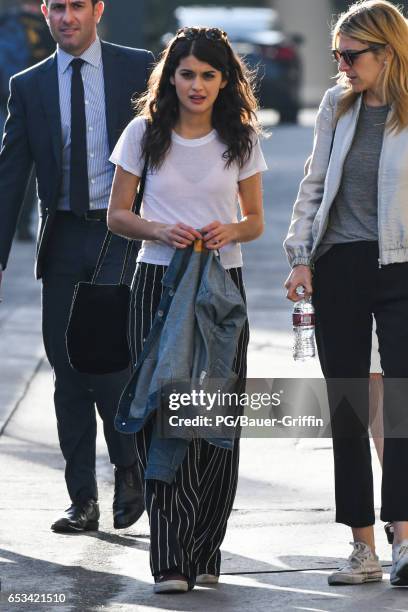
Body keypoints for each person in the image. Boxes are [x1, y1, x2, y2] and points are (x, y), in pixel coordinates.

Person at [108, 26, 266, 593]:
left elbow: (255, 221)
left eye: (208, 75)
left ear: (224, 81)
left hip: (223, 287)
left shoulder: (241, 137)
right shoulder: (142, 133)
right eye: (186, 74)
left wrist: (229, 230)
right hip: (156, 282)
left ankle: (205, 550)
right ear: (170, 78)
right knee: (160, 412)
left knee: (214, 418)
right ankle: (170, 559)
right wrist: (159, 228)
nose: (196, 85)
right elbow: (117, 214)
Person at [0, 0, 154, 534]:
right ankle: (82, 499)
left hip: (122, 236)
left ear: (97, 9)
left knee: (112, 368)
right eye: (57, 7)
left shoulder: (137, 68)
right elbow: (11, 174)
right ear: (45, 12)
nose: (67, 17)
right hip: (63, 236)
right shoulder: (29, 85)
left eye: (77, 7)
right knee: (67, 373)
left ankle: (128, 469)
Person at [284, 0, 408, 588]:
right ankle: (362, 546)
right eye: (337, 55)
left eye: (352, 55)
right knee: (348, 408)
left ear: (387, 51)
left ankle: (404, 539)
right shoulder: (338, 104)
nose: (343, 66)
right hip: (340, 264)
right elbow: (314, 184)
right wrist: (300, 256)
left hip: (403, 264)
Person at [0, 0, 55, 242]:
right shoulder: (44, 28)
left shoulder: (7, 23)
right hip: (32, 103)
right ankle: (21, 225)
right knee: (28, 166)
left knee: (12, 161)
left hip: (7, 101)